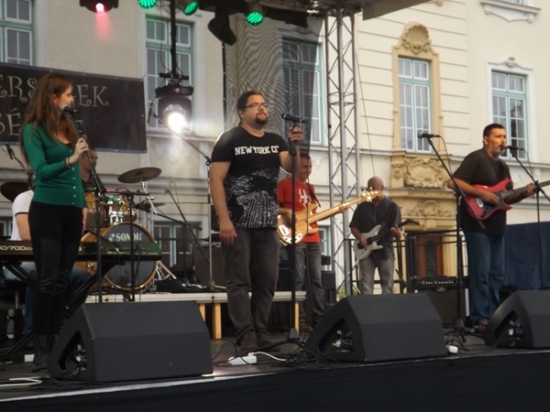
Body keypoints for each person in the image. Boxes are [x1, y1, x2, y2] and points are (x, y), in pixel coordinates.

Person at [209, 90, 303, 350]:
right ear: (241, 112)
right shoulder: (230, 139)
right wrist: (224, 219)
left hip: (268, 223)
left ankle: (260, 330)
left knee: (267, 279)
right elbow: (215, 180)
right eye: (254, 105)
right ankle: (245, 334)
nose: (261, 109)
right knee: (239, 281)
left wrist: (295, 145)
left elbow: (292, 168)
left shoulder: (275, 141)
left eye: (264, 105)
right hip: (237, 222)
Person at [18, 72, 89, 366]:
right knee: (47, 280)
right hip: (47, 209)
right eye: (68, 94)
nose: (72, 99)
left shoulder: (68, 125)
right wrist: (71, 159)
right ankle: (41, 345)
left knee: (62, 280)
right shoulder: (33, 130)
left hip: (72, 210)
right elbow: (41, 172)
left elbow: (75, 176)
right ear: (53, 96)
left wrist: (82, 204)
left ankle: (57, 342)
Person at [448, 123, 534, 333]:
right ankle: (479, 318)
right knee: (481, 273)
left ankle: (495, 317)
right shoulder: (476, 158)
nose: (503, 140)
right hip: (476, 224)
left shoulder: (503, 166)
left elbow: (507, 198)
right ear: (486, 139)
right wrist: (481, 194)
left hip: (497, 226)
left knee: (497, 274)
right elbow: (453, 182)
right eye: (498, 136)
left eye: (504, 136)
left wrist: (524, 193)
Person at [1, 190, 91, 334]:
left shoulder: (64, 201)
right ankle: (33, 333)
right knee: (42, 275)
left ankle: (69, 328)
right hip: (22, 261)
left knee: (83, 278)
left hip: (53, 260)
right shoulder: (25, 198)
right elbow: (26, 234)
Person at [277, 153, 324, 332]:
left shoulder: (311, 188)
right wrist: (286, 211)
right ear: (296, 167)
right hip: (295, 236)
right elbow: (273, 207)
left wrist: (335, 211)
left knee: (316, 279)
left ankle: (320, 319)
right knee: (297, 278)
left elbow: (313, 214)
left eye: (310, 167)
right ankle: (300, 320)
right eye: (305, 167)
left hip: (313, 237)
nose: (308, 170)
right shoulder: (284, 185)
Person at [350, 177, 402, 295]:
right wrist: (359, 237)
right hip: (366, 251)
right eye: (369, 188)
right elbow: (354, 227)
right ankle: (367, 307)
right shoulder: (362, 207)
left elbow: (398, 234)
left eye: (374, 188)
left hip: (385, 250)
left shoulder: (392, 206)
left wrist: (397, 233)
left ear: (382, 188)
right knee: (366, 285)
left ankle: (387, 307)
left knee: (387, 285)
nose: (371, 190)